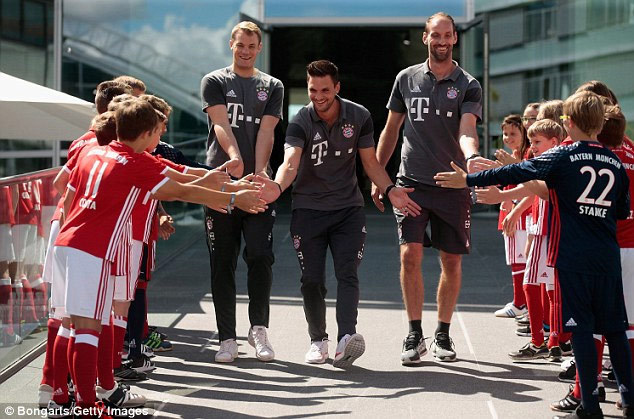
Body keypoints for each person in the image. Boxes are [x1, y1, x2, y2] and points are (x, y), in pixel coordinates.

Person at [435, 91, 633, 419]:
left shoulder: (564, 155)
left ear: (569, 123)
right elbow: (622, 211)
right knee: (615, 329)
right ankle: (629, 398)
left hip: (574, 257)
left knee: (582, 330)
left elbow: (515, 172)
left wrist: (467, 179)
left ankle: (590, 405)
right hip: (607, 256)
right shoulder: (614, 161)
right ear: (600, 124)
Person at [260, 60, 419, 367]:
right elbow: (290, 162)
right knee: (312, 280)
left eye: (324, 90)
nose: (318, 97)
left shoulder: (358, 116)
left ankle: (346, 337)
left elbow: (370, 162)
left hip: (348, 210)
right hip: (308, 210)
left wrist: (389, 189)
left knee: (348, 273)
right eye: (312, 90)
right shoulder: (300, 121)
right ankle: (318, 340)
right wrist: (277, 187)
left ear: (337, 87)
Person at [371, 12, 483, 364]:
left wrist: (472, 157)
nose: (441, 41)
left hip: (452, 184)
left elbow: (467, 128)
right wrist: (379, 177)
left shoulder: (468, 84)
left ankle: (443, 334)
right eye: (435, 35)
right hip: (412, 183)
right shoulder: (406, 79)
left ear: (455, 38)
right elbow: (391, 129)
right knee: (410, 255)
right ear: (425, 38)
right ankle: (414, 333)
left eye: (447, 35)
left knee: (451, 260)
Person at [200, 20, 283, 363]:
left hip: (256, 184)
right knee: (222, 261)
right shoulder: (214, 80)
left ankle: (258, 329)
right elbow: (220, 123)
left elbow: (267, 132)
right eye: (240, 45)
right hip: (221, 184)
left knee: (260, 255)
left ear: (259, 48)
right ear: (231, 45)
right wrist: (234, 158)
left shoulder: (272, 85)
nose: (246, 51)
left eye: (252, 46)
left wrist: (260, 171)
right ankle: (227, 338)